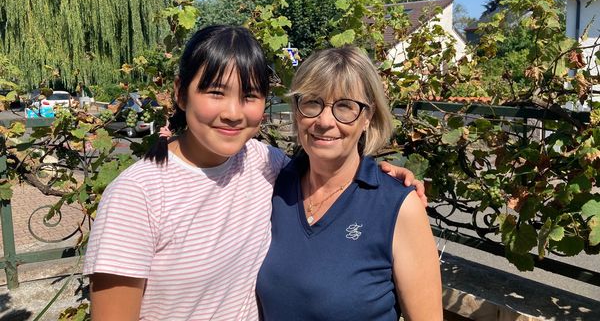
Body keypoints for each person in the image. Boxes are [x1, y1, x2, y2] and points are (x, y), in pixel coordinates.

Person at [83, 26, 424, 320]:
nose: (232, 113)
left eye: (249, 96)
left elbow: (334, 172)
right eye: (216, 92)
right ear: (181, 93)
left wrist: (384, 179)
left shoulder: (265, 165)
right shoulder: (137, 195)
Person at [256, 46, 442, 320]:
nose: (324, 121)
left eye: (344, 106)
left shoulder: (397, 206)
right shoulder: (275, 183)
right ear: (296, 110)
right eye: (311, 102)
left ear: (368, 116)